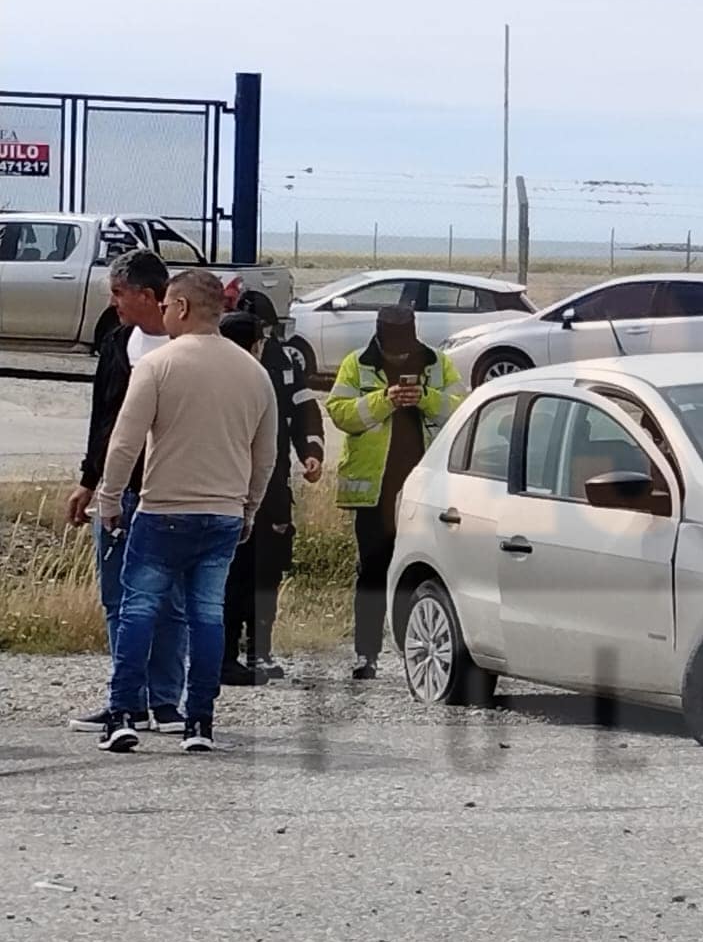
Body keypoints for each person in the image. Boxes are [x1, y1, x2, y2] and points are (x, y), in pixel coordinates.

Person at [94, 270, 277, 753]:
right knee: (207, 616)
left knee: (138, 608)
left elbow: (125, 441)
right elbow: (266, 455)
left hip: (163, 509)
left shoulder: (158, 365)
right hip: (223, 514)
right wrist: (250, 508)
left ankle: (122, 713)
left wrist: (109, 499)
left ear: (179, 308)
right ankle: (199, 722)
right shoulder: (254, 374)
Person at [64, 249, 188, 736]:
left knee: (170, 602)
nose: (113, 303)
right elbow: (104, 422)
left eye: (119, 293)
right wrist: (88, 481)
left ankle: (166, 701)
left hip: (169, 495)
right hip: (118, 492)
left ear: (149, 295)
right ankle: (126, 699)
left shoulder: (186, 348)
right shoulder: (117, 344)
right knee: (118, 598)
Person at [327, 305, 466, 680]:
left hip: (426, 493)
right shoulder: (356, 364)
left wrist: (423, 397)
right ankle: (366, 655)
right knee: (372, 573)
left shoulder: (439, 364)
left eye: (405, 350)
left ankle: (417, 651)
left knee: (424, 572)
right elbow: (340, 413)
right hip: (375, 493)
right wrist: (385, 399)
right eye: (394, 350)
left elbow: (461, 409)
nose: (400, 356)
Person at [218, 309, 325, 686]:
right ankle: (223, 655)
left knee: (266, 572)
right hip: (226, 491)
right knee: (228, 575)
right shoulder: (214, 372)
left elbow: (305, 409)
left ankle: (256, 651)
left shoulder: (280, 365)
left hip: (271, 491)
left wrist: (311, 449)